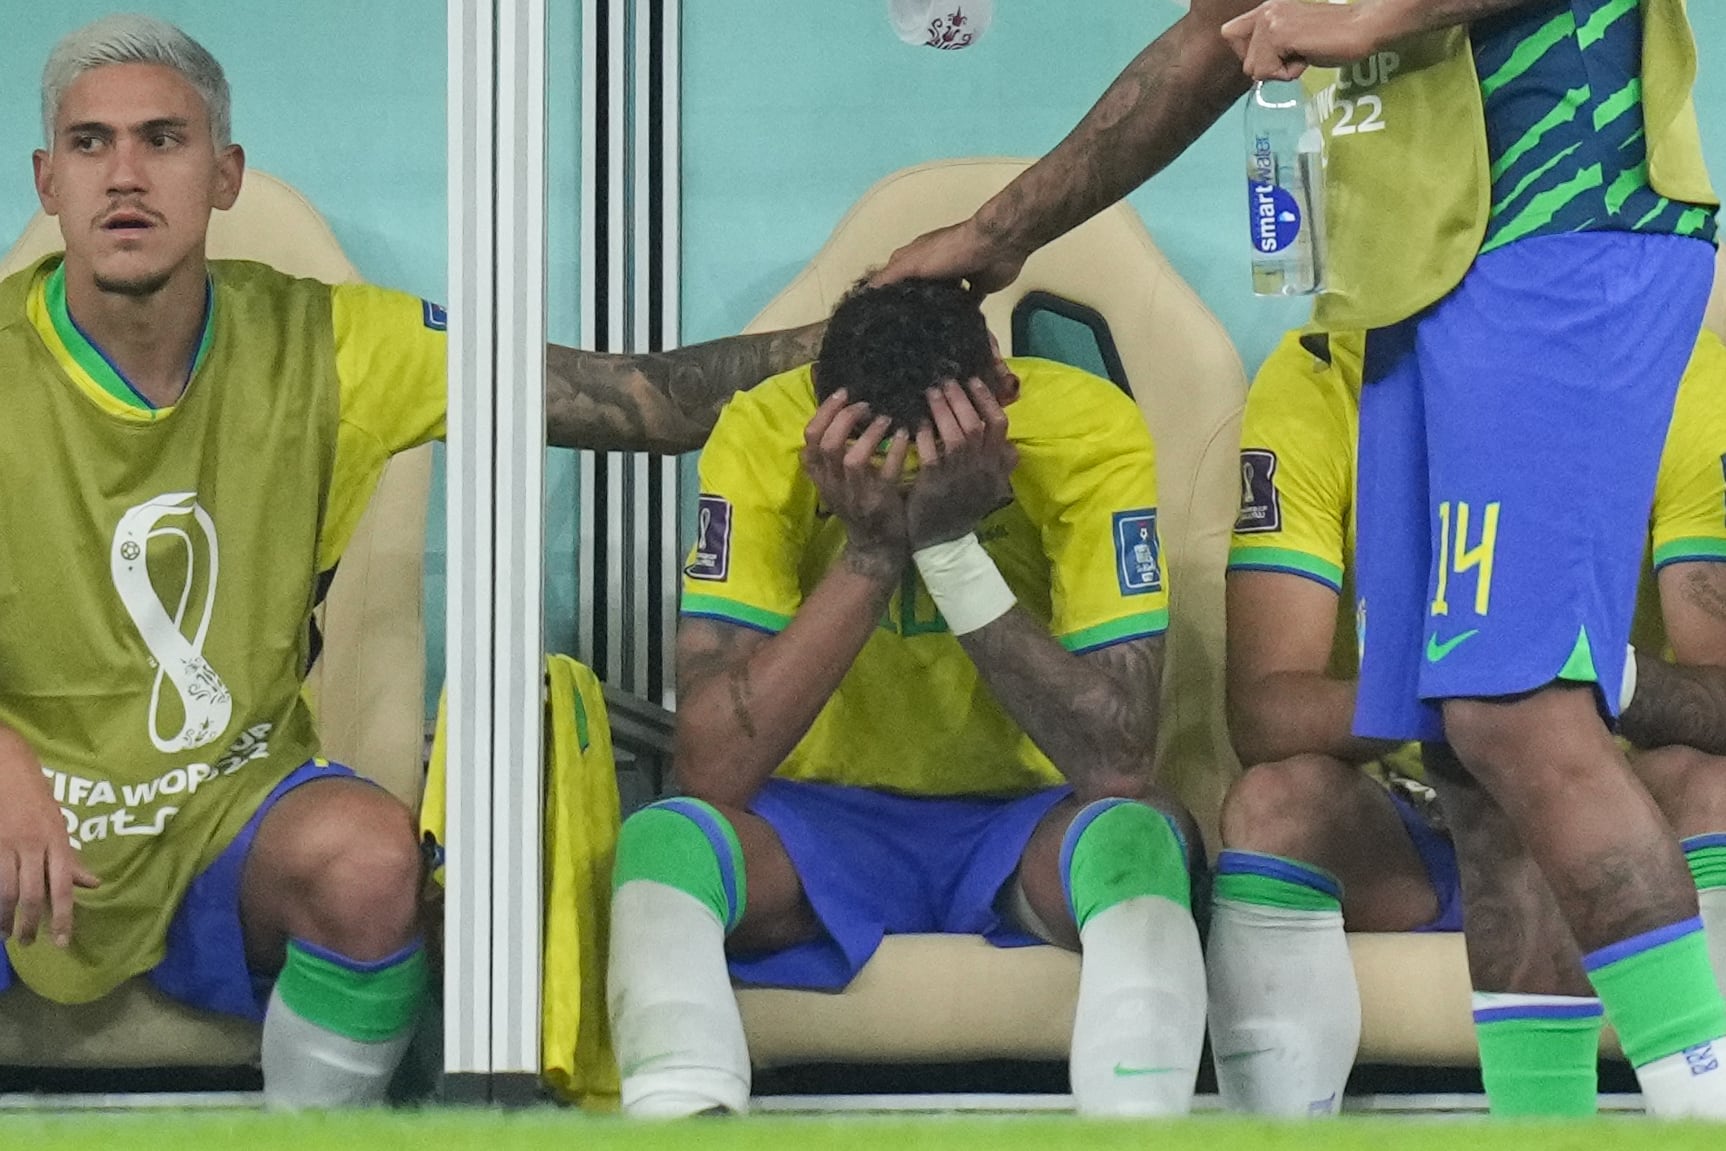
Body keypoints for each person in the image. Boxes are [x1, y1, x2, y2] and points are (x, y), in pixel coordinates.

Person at [880, 0, 1725, 1117]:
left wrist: (1376, 14)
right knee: (1471, 759)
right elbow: (1211, 37)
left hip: (1561, 232)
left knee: (1516, 707)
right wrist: (1001, 235)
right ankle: (1546, 1129)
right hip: (1404, 292)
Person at [0, 15, 822, 1109]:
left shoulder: (336, 342)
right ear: (48, 178)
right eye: (92, 144)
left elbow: (651, 403)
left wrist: (872, 326)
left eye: (164, 138)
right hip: (20, 790)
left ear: (227, 174)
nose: (127, 175)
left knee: (373, 861)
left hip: (218, 798)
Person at [605, 277, 1207, 1117]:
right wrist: (871, 550)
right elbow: (710, 768)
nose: (913, 483)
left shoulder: (1085, 425)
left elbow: (1117, 760)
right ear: (826, 412)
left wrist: (952, 544)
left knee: (1142, 838)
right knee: (665, 841)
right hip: (819, 825)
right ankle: (683, 1118)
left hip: (1027, 819)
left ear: (1005, 388)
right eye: (892, 469)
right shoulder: (764, 430)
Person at [1211, 326, 1726, 1116]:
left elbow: (1718, 693)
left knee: (1710, 788)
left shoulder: (1680, 365)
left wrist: (1586, 676)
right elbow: (1264, 710)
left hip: (1611, 792)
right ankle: (1278, 1133)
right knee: (1274, 805)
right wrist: (1477, 682)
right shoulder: (1325, 368)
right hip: (1406, 829)